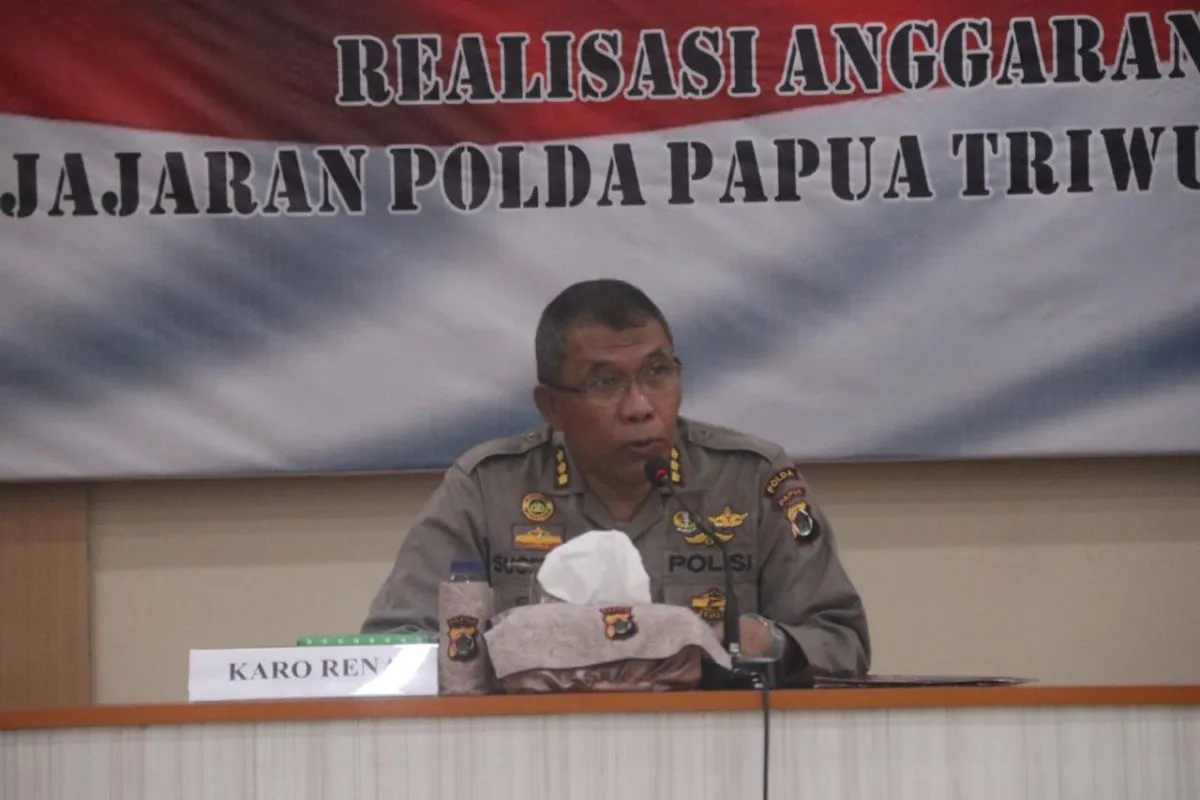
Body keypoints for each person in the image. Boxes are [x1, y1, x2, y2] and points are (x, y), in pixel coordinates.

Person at [363, 279, 870, 678]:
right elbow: (392, 649)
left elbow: (842, 641)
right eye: (605, 382)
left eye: (657, 373)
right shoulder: (488, 489)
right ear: (552, 407)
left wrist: (770, 644)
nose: (640, 406)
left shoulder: (752, 480)